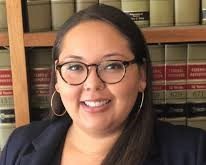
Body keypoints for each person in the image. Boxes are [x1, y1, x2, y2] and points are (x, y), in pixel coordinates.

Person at [0, 4, 206, 165]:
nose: (92, 84)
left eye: (112, 66)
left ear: (141, 75)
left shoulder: (192, 152)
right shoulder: (20, 144)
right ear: (57, 80)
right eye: (74, 67)